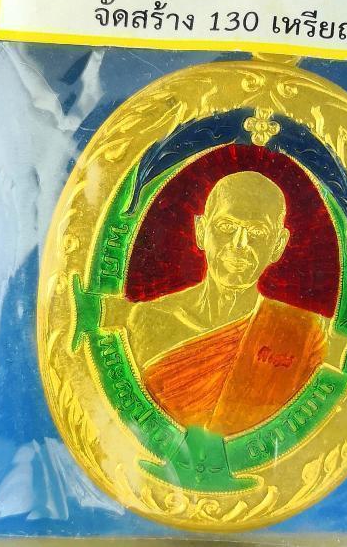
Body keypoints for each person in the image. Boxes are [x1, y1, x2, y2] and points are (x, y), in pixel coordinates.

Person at [104, 171, 328, 436]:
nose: (239, 244)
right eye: (226, 227)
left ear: (278, 245)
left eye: (257, 231)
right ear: (201, 231)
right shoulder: (147, 319)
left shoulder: (302, 333)